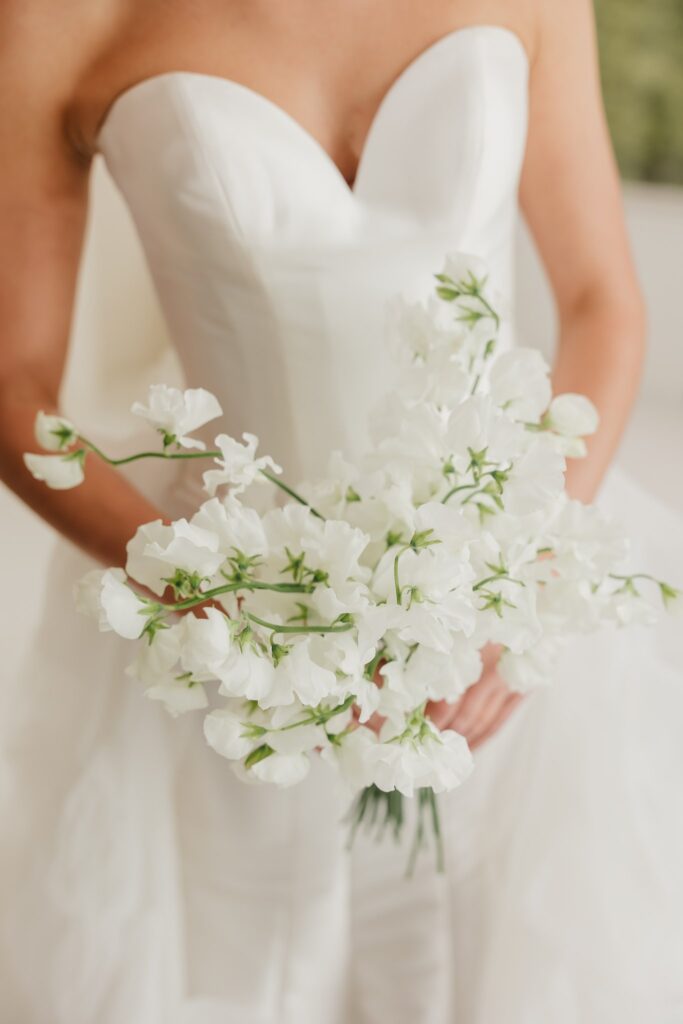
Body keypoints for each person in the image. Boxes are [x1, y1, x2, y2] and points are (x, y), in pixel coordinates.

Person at [1, 1, 682, 1021]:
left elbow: (601, 301)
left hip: (497, 612)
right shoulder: (57, 19)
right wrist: (199, 595)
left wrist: (518, 578)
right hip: (218, 636)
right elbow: (15, 386)